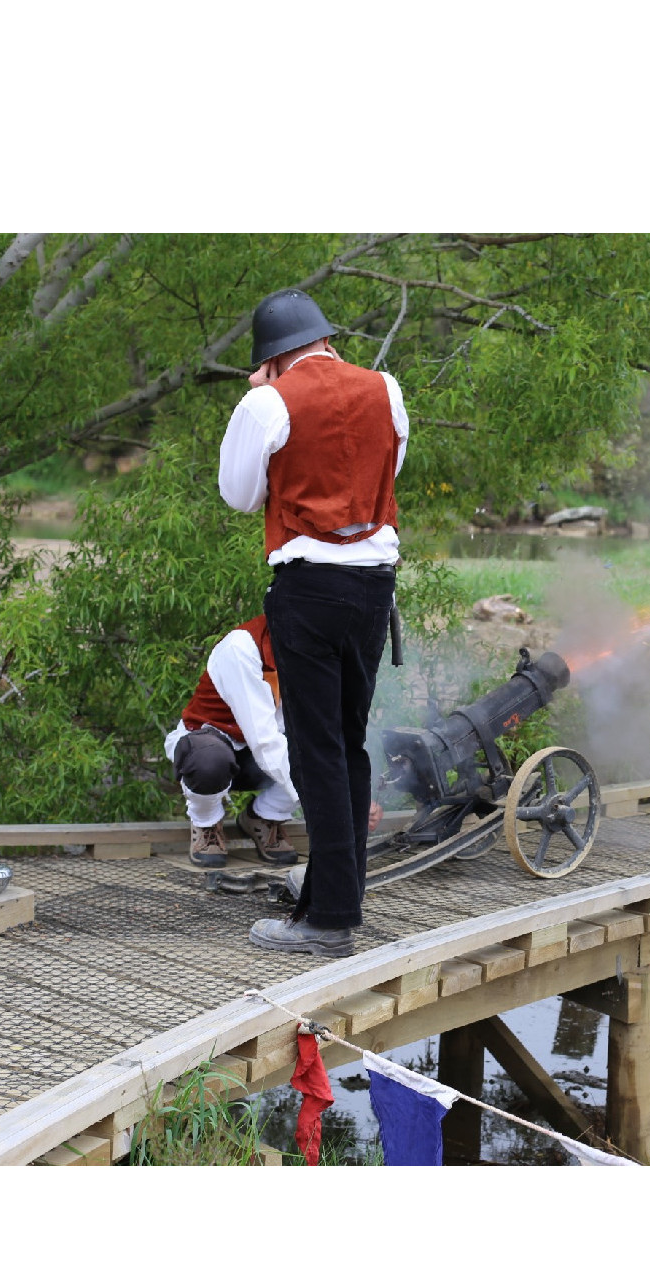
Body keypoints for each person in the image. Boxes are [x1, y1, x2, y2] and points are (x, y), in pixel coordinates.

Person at [219, 288, 407, 957]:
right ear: (325, 339)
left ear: (271, 357)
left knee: (317, 751)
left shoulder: (266, 401)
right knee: (349, 749)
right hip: (373, 590)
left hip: (308, 588)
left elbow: (239, 495)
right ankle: (338, 896)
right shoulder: (386, 388)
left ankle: (328, 921)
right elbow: (386, 474)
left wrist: (262, 408)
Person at [164, 614, 300, 868]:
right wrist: (320, 798)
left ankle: (264, 816)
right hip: (214, 743)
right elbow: (263, 739)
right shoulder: (242, 647)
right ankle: (206, 823)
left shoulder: (318, 650)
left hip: (262, 753)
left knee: (320, 752)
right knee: (208, 761)